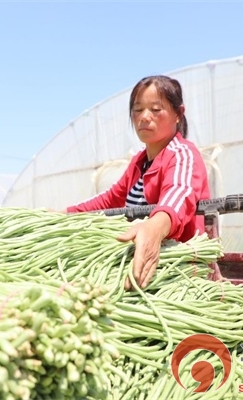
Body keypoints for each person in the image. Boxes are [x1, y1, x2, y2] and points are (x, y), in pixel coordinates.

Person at [66, 75, 211, 290]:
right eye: (137, 109)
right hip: (141, 261)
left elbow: (179, 194)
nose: (144, 117)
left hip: (177, 271)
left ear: (178, 114)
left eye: (155, 109)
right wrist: (65, 214)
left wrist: (154, 227)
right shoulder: (140, 161)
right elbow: (111, 198)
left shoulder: (182, 154)